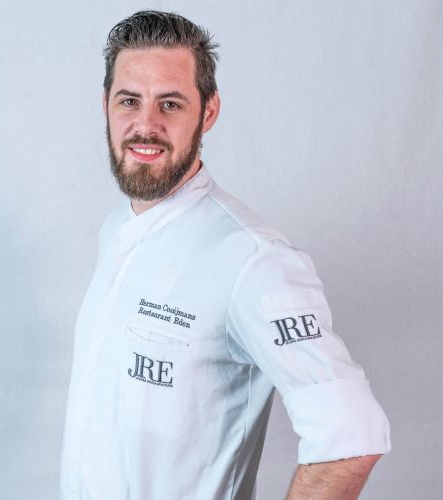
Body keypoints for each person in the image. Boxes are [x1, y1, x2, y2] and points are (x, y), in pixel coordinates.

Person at [60, 10, 390, 500]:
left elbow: (351, 435)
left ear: (208, 112)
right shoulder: (117, 227)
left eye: (170, 104)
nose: (145, 125)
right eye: (129, 100)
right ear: (106, 104)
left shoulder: (254, 261)